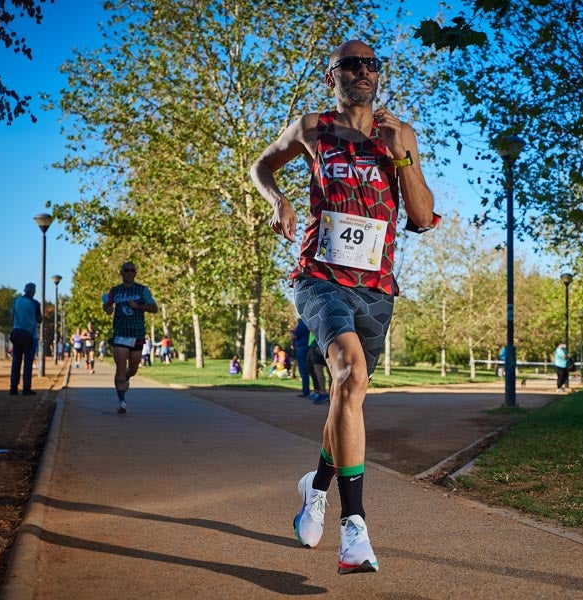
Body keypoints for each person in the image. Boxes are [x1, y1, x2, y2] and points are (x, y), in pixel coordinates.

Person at [250, 39, 438, 574]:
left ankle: (316, 487)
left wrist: (401, 156)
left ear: (378, 74)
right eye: (350, 64)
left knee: (347, 396)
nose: (362, 72)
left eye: (370, 65)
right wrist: (278, 198)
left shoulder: (399, 133)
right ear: (331, 74)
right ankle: (354, 530)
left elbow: (422, 216)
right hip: (320, 276)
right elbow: (261, 166)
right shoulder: (312, 128)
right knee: (349, 374)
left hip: (376, 286)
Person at [102, 262, 158, 414]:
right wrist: (107, 308)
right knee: (120, 367)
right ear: (121, 273)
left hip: (137, 334)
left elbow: (154, 308)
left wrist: (139, 306)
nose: (129, 273)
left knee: (133, 369)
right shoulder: (115, 290)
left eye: (132, 271)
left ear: (135, 273)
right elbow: (107, 305)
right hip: (120, 334)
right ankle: (122, 402)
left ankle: (126, 376)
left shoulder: (142, 290)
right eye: (126, 270)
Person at [9, 282, 42, 396]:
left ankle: (13, 388)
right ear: (33, 292)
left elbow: (12, 316)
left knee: (16, 362)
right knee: (28, 363)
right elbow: (39, 319)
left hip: (17, 334)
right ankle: (26, 388)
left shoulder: (16, 301)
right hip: (30, 337)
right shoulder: (35, 303)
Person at [292, 318, 311, 397]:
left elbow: (294, 336)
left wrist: (292, 343)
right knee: (307, 369)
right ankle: (309, 390)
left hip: (301, 348)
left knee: (303, 369)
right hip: (308, 347)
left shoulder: (302, 324)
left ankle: (306, 391)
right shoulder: (308, 323)